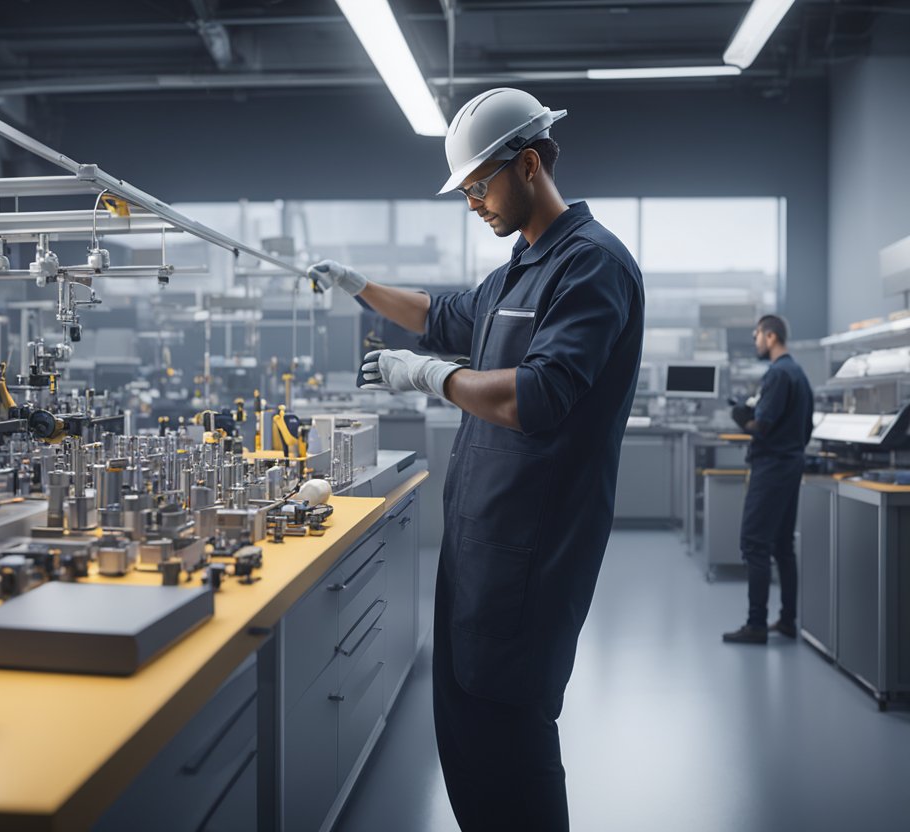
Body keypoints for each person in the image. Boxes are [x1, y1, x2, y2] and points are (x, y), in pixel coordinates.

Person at [309, 88, 644, 832]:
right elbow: (439, 316)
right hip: (476, 548)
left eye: (477, 186)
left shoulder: (591, 267)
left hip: (532, 559)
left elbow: (539, 396)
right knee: (466, 740)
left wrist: (425, 376)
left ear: (528, 165)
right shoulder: (516, 270)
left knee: (510, 748)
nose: (471, 204)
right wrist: (359, 288)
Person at [722, 315, 814, 644]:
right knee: (782, 546)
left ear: (771, 336)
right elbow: (806, 428)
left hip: (772, 466)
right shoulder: (799, 374)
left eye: (757, 335)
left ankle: (756, 624)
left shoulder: (777, 374)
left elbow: (762, 426)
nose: (756, 340)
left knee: (754, 543)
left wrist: (740, 417)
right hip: (791, 464)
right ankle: (788, 620)